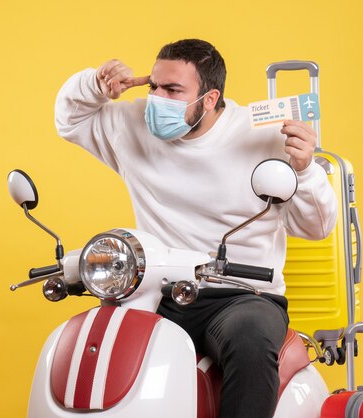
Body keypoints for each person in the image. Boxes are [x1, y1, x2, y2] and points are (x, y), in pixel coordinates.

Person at [55, 39, 337, 418]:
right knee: (99, 342)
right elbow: (69, 120)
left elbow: (316, 227)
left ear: (209, 98)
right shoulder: (133, 124)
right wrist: (94, 85)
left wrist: (304, 170)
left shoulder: (264, 136)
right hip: (156, 290)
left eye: (172, 90)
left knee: (251, 342)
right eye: (154, 85)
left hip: (240, 294)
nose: (156, 98)